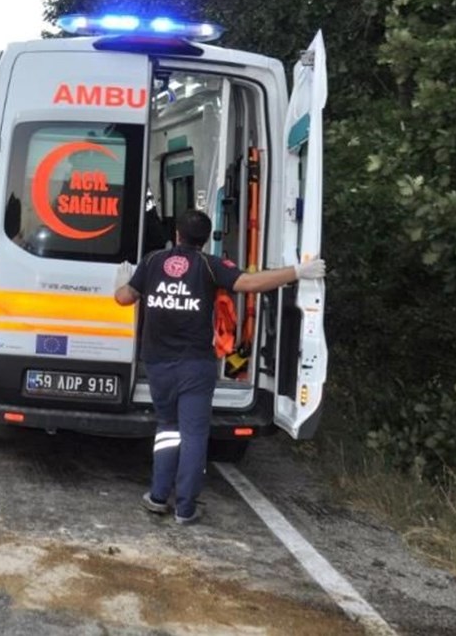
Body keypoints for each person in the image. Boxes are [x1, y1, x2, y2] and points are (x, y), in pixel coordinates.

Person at [114, 209, 325, 524]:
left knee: (167, 428)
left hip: (158, 364)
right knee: (195, 435)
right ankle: (185, 509)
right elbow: (252, 284)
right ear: (205, 239)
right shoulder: (209, 266)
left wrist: (122, 282)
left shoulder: (152, 262)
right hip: (195, 366)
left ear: (177, 235)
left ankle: (158, 496)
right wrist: (298, 271)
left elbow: (123, 299)